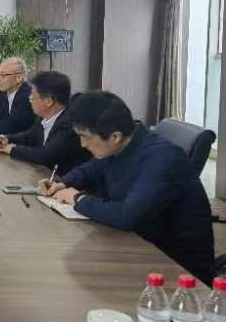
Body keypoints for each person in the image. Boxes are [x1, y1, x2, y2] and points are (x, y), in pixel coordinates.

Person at [39, 91, 214, 285]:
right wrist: (63, 183)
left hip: (175, 271)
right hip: (138, 246)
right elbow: (91, 168)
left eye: (85, 137)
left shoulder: (162, 159)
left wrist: (77, 198)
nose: (82, 144)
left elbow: (126, 216)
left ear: (115, 136)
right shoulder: (123, 143)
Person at [0, 71, 90, 174]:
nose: (29, 99)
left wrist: (11, 149)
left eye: (33, 96)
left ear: (48, 101)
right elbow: (31, 136)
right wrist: (6, 139)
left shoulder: (69, 125)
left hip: (63, 179)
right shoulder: (43, 117)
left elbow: (44, 156)